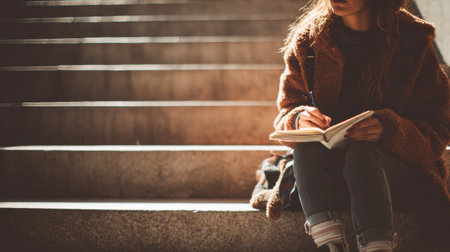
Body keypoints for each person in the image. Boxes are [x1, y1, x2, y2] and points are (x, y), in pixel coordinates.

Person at [273, 0, 450, 251]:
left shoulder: (412, 40)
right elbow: (286, 113)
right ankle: (328, 243)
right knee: (305, 149)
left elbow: (439, 129)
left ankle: (378, 245)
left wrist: (389, 129)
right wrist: (298, 119)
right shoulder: (310, 41)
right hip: (330, 181)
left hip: (397, 178)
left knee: (362, 154)